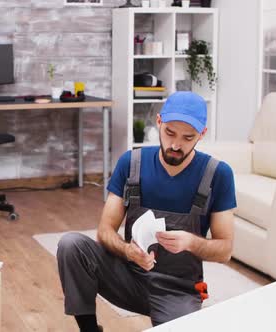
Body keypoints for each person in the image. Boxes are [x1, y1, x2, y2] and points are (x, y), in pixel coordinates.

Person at [57, 91, 236, 331]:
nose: (175, 144)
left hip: (178, 290)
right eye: (170, 132)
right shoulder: (131, 163)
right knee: (71, 245)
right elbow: (105, 230)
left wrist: (191, 243)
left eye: (187, 137)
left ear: (202, 134)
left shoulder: (218, 174)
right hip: (129, 277)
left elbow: (225, 250)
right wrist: (127, 251)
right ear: (159, 122)